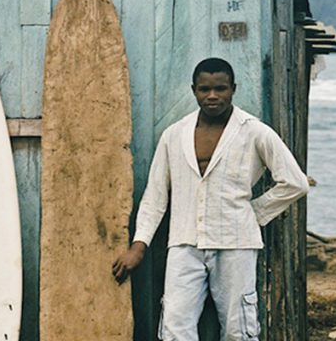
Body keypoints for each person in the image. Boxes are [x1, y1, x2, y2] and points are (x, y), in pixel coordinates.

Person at [111, 57, 309, 340]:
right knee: (174, 327)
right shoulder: (175, 134)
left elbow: (295, 182)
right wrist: (138, 246)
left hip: (236, 242)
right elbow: (155, 197)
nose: (213, 95)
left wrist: (255, 212)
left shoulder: (253, 131)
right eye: (205, 89)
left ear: (233, 89)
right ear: (194, 90)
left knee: (239, 327)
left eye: (221, 88)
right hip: (184, 242)